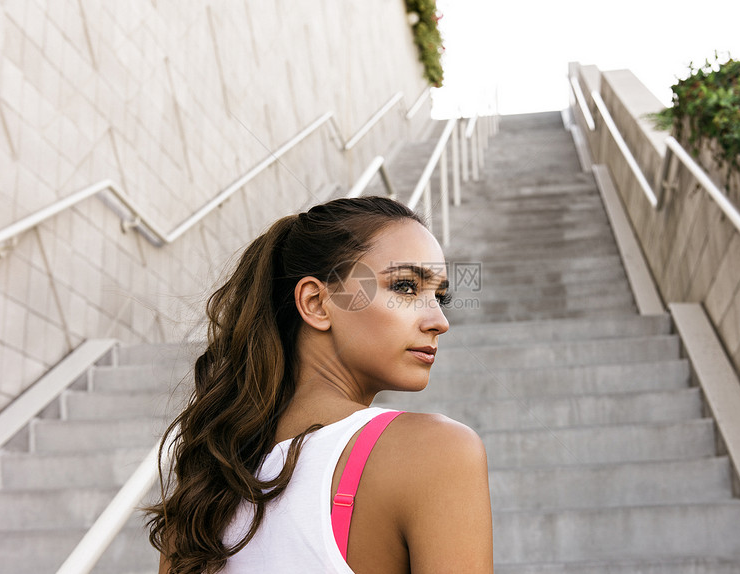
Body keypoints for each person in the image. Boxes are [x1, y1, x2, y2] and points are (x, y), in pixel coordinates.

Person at [147, 196, 493, 573]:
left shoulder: (204, 489)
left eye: (439, 297)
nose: (439, 321)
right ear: (316, 303)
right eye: (406, 287)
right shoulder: (436, 451)